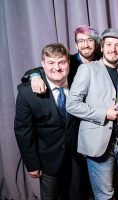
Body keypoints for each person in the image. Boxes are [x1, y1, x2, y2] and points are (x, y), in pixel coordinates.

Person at [66, 28, 118, 200]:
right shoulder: (87, 70)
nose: (113, 49)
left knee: (117, 187)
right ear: (102, 48)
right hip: (98, 143)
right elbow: (72, 104)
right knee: (105, 195)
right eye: (109, 44)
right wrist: (104, 114)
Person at [14, 43, 86, 200]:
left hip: (78, 155)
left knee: (78, 195)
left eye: (61, 62)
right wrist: (32, 164)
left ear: (68, 62)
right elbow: (23, 131)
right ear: (43, 64)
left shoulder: (80, 82)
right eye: (51, 63)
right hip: (48, 158)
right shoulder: (27, 93)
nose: (57, 67)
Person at [22, 25, 101, 93]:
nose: (86, 44)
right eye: (81, 41)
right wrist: (35, 76)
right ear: (76, 46)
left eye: (90, 40)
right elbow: (38, 70)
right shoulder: (67, 61)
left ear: (96, 44)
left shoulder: (103, 61)